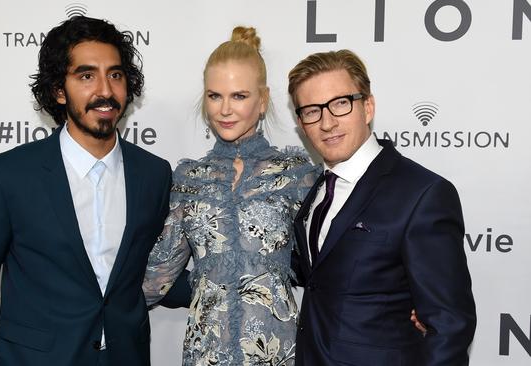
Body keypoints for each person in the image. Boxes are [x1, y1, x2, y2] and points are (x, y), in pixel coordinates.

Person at [0, 16, 188, 366]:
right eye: (86, 76)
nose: (105, 90)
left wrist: (236, 282)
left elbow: (155, 273)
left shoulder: (154, 173)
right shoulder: (6, 176)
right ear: (59, 90)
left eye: (115, 75)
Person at [288, 49, 477, 365]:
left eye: (340, 103)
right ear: (301, 123)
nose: (327, 122)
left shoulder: (423, 194)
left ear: (368, 107)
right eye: (312, 110)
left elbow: (448, 326)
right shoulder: (317, 190)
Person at [143, 27, 317, 366]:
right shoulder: (190, 179)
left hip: (277, 351)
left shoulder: (294, 173)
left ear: (263, 99)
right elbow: (158, 274)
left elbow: (328, 266)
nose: (224, 109)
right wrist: (93, 300)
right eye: (214, 96)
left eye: (239, 96)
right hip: (206, 351)